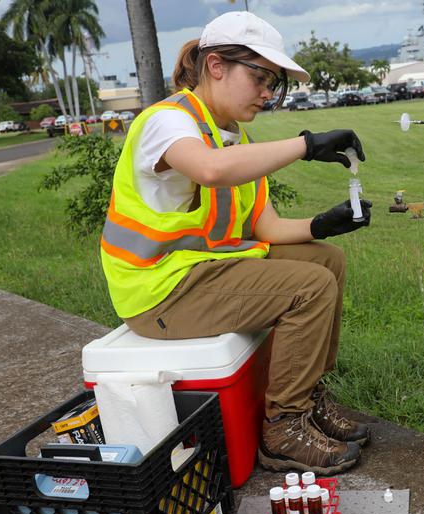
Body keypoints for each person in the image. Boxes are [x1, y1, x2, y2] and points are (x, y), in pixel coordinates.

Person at [100, 11, 372, 475]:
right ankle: (284, 428)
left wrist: (325, 224)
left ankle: (308, 399)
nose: (268, 93)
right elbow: (208, 170)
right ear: (216, 66)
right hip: (158, 291)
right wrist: (306, 145)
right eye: (261, 78)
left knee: (327, 261)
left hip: (199, 275)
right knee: (310, 287)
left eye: (275, 83)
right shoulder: (166, 122)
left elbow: (267, 229)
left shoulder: (232, 137)